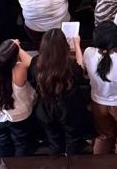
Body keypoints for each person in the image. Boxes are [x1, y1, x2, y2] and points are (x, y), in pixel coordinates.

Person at [75, 20, 117, 154]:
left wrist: (76, 44)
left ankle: (99, 161)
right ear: (116, 41)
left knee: (104, 135)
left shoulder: (88, 53)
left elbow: (81, 65)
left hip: (98, 103)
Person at [28, 28, 87, 156]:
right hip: (69, 108)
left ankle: (56, 157)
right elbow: (80, 71)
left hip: (45, 108)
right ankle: (72, 160)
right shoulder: (69, 65)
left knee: (53, 139)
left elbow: (31, 79)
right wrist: (77, 45)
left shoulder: (36, 63)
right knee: (73, 138)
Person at [0, 40, 36, 156]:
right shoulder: (20, 69)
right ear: (14, 59)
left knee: (2, 144)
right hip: (19, 116)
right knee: (21, 143)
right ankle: (20, 162)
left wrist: (11, 48)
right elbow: (32, 62)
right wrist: (18, 48)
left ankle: (3, 162)